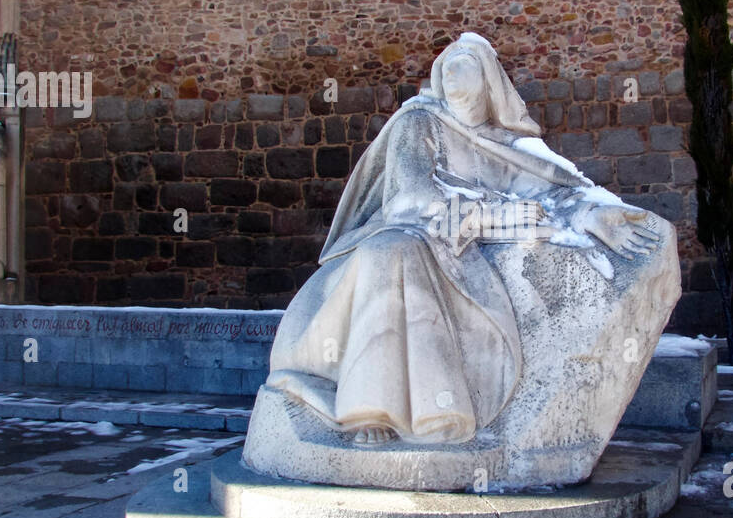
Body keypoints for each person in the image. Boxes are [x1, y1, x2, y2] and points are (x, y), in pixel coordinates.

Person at [266, 32, 660, 446]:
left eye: (464, 64)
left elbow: (549, 189)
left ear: (488, 80)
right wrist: (489, 214)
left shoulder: (506, 145)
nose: (451, 72)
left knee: (413, 257)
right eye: (446, 65)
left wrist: (590, 213)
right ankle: (371, 409)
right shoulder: (418, 122)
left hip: (453, 249)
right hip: (404, 232)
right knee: (393, 251)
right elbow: (412, 196)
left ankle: (437, 413)